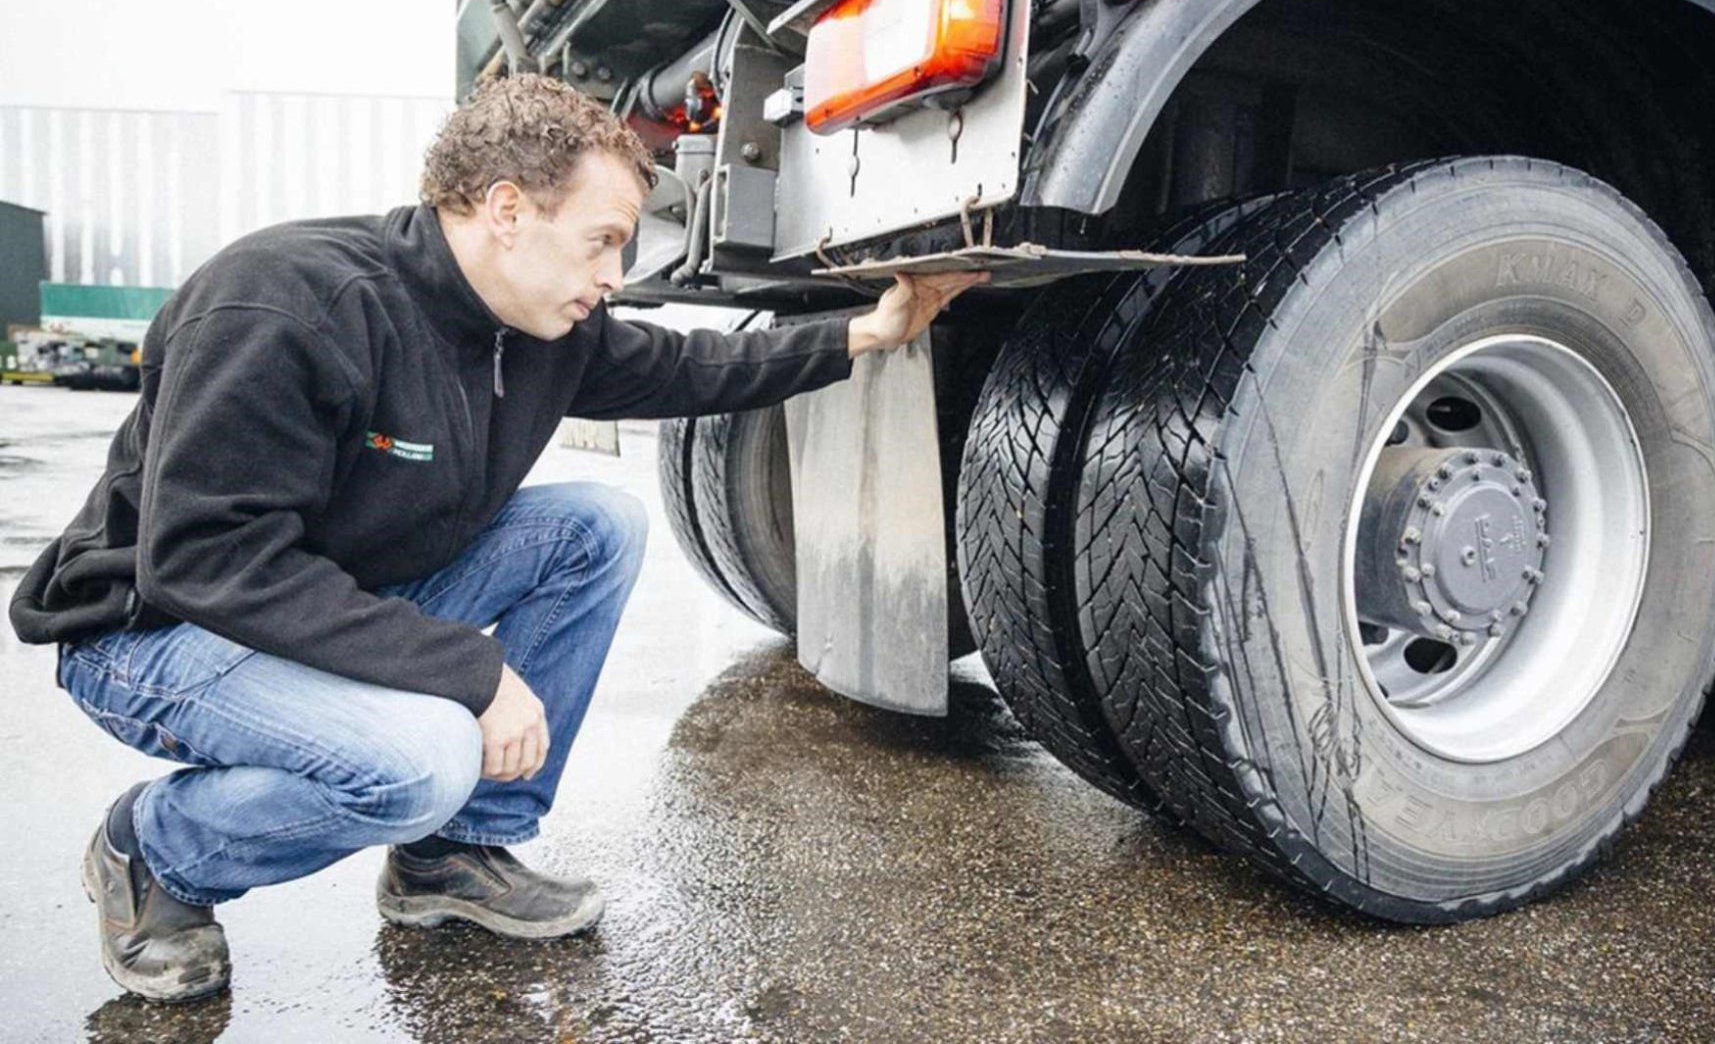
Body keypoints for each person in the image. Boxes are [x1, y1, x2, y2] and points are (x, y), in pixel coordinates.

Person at [7, 72, 986, 1003]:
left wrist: (866, 332)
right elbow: (207, 559)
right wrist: (462, 672)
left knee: (593, 525)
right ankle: (157, 848)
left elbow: (691, 365)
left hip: (318, 595)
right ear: (507, 211)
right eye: (602, 242)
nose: (614, 277)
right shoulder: (285, 306)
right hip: (155, 629)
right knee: (421, 757)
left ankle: (453, 858)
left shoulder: (539, 327)